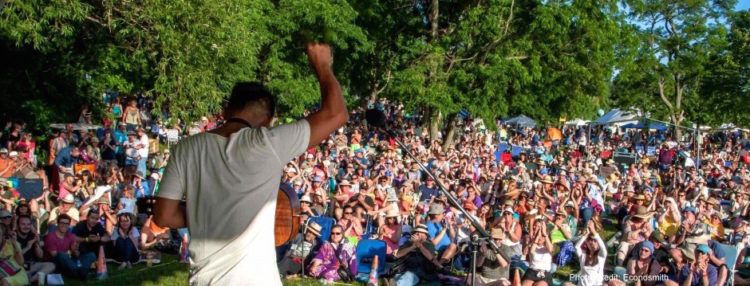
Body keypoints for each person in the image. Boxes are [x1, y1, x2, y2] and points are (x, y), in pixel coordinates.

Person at [153, 43, 348, 285]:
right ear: (268, 121)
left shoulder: (186, 148)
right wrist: (322, 65)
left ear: (226, 110)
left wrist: (207, 213)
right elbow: (337, 113)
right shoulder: (268, 142)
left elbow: (164, 216)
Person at [43, 214, 95, 280]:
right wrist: (70, 252)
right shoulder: (50, 237)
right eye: (62, 223)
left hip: (69, 260)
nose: (64, 225)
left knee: (91, 255)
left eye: (67, 223)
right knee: (62, 255)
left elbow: (76, 241)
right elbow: (54, 255)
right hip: (56, 263)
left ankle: (79, 271)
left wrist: (75, 250)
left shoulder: (69, 235)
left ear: (69, 225)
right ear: (57, 224)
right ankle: (80, 273)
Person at [15, 215, 55, 285]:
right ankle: (32, 278)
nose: (26, 227)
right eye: (23, 224)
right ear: (18, 225)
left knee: (51, 265)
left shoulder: (32, 235)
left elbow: (40, 256)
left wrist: (36, 243)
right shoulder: (13, 237)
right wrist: (27, 247)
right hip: (18, 266)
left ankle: (31, 280)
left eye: (28, 224)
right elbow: (14, 258)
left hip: (32, 265)